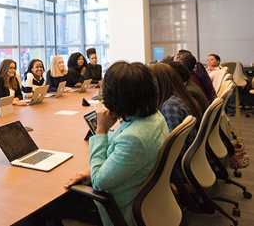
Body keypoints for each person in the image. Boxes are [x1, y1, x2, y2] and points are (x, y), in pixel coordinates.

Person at [28, 61, 169, 226]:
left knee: (38, 210)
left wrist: (101, 130)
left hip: (118, 208)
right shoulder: (154, 117)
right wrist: (90, 171)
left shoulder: (134, 138)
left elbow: (99, 182)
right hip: (144, 197)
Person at [151, 62, 201, 161]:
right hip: (192, 159)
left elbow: (176, 150)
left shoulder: (170, 107)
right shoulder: (181, 96)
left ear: (158, 83)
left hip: (178, 167)